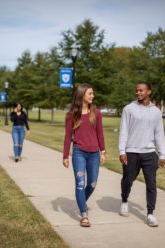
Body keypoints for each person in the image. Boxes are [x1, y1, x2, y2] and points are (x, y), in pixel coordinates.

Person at [118, 81, 165, 227]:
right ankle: (124, 200)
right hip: (132, 152)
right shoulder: (129, 109)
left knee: (151, 184)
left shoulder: (156, 111)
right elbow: (123, 131)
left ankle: (150, 214)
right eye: (136, 90)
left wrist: (162, 154)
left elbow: (159, 134)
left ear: (149, 92)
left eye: (141, 90)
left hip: (150, 153)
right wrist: (122, 151)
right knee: (128, 180)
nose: (138, 93)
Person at [63, 83, 106, 227]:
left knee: (92, 184)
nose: (92, 96)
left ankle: (80, 202)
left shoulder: (97, 113)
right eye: (90, 93)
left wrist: (103, 151)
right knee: (80, 183)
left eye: (92, 93)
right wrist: (65, 156)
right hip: (79, 153)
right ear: (82, 95)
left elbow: (100, 133)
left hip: (94, 154)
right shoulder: (71, 115)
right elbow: (68, 136)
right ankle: (84, 214)